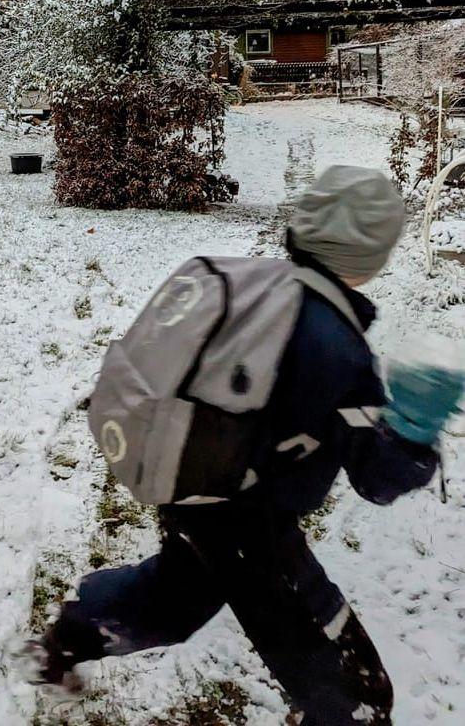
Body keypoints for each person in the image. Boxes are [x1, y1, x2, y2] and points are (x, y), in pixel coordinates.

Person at [29, 166, 463, 726]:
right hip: (252, 531)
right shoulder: (338, 352)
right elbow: (379, 479)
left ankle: (66, 639)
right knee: (354, 695)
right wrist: (417, 425)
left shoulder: (255, 289)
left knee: (172, 603)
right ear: (371, 256)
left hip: (194, 493)